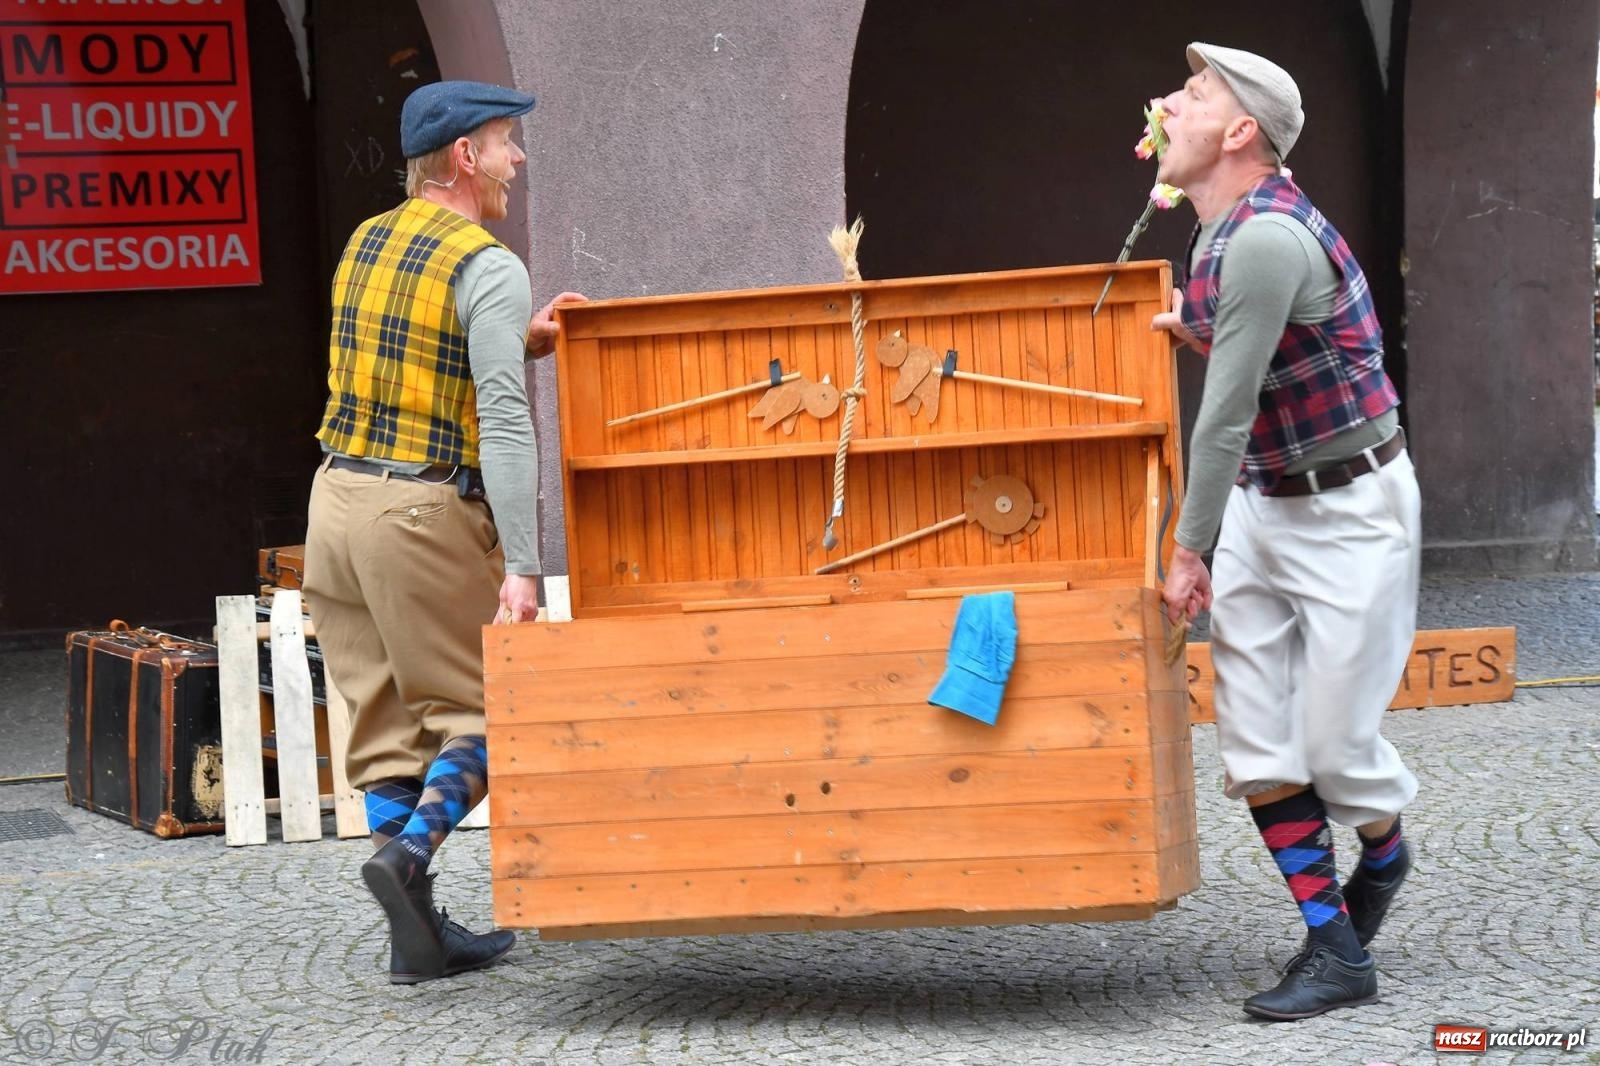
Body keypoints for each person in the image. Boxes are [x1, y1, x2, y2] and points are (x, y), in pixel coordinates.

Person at [1149, 43, 1420, 1021]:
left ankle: (1383, 856)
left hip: (1352, 510)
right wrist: (1204, 331)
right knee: (1258, 741)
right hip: (1269, 500)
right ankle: (1336, 951)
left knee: (1337, 750)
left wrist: (1188, 550)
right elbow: (1256, 354)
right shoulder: (1213, 232)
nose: (1164, 105)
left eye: (1190, 94)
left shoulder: (1264, 237)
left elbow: (1224, 415)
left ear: (1238, 132)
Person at [302, 79, 584, 984]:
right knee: (494, 711)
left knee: (386, 725)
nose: (517, 159)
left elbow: (408, 362)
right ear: (465, 157)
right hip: (418, 515)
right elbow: (503, 421)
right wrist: (524, 566)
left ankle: (416, 939)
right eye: (505, 142)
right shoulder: (487, 265)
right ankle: (410, 855)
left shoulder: (366, 241)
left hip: (334, 503)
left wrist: (519, 338)